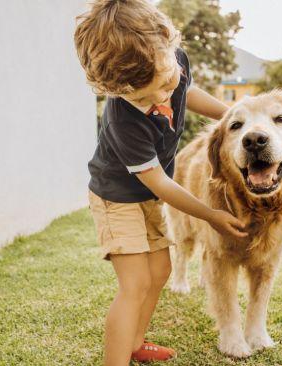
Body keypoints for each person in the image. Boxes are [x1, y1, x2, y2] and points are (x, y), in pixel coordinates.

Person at [74, 1, 247, 364]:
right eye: (142, 97)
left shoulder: (175, 61)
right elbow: (161, 186)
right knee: (134, 284)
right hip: (116, 197)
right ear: (118, 91)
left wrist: (233, 115)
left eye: (167, 84)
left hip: (146, 196)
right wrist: (209, 215)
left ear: (170, 50)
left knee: (162, 270)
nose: (161, 99)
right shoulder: (123, 120)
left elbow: (188, 93)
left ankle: (135, 343)